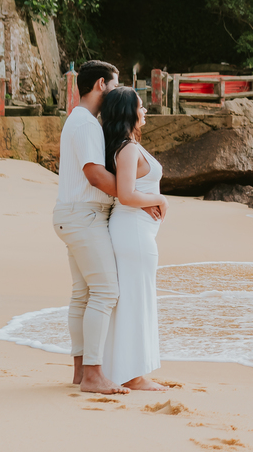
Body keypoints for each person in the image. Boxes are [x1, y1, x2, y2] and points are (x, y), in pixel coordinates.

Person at [52, 60, 159, 394]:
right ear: (101, 84)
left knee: (83, 294)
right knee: (105, 292)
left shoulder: (82, 120)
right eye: (115, 84)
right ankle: (94, 374)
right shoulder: (85, 123)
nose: (117, 92)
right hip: (84, 216)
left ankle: (82, 370)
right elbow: (94, 173)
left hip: (74, 215)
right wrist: (135, 194)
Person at [100, 86, 168, 391]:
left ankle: (130, 370)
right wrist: (160, 200)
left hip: (137, 232)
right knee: (135, 301)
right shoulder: (127, 149)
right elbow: (125, 194)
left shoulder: (129, 146)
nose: (145, 111)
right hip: (133, 233)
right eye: (141, 107)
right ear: (129, 112)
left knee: (136, 299)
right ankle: (134, 376)